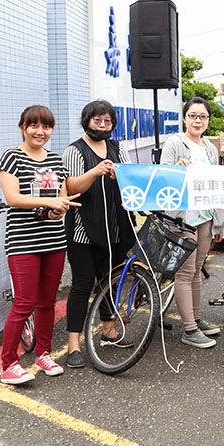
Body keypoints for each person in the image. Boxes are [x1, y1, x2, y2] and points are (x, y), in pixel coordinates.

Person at [0, 105, 81, 384]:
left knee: (47, 302)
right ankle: (9, 364)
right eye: (34, 126)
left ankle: (43, 353)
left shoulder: (57, 161)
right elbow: (13, 198)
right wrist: (50, 203)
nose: (40, 132)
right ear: (23, 127)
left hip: (54, 240)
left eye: (46, 127)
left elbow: (60, 199)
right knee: (23, 303)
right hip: (23, 242)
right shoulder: (12, 157)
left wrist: (58, 210)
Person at [63, 100, 136, 368]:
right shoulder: (75, 150)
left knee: (111, 282)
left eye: (107, 121)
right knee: (82, 286)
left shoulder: (118, 147)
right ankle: (73, 345)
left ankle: (109, 331)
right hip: (83, 231)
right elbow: (71, 186)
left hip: (115, 228)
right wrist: (94, 171)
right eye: (97, 120)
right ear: (87, 121)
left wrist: (122, 175)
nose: (103, 125)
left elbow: (132, 178)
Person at [160, 97, 224, 349]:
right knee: (185, 273)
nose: (198, 120)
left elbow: (216, 185)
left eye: (203, 117)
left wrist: (218, 223)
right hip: (182, 218)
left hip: (205, 217)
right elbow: (163, 177)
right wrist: (177, 168)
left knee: (197, 271)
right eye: (193, 115)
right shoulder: (175, 142)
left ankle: (196, 319)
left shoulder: (210, 147)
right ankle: (189, 330)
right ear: (185, 118)